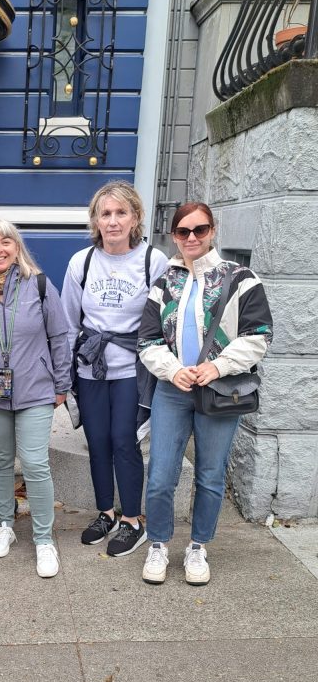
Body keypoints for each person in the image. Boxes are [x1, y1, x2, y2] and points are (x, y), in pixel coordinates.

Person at [138, 203, 273, 586]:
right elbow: (147, 340)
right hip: (173, 390)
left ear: (212, 230)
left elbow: (259, 334)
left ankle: (198, 547)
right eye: (183, 232)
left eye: (199, 230)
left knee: (211, 475)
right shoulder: (165, 283)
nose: (191, 238)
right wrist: (174, 370)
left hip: (221, 391)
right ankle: (159, 545)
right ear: (174, 236)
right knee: (161, 474)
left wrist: (217, 366)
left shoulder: (242, 278)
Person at [59, 181, 169, 557]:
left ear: (135, 217)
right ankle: (105, 512)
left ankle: (132, 521)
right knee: (98, 442)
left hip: (131, 369)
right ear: (96, 220)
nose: (113, 220)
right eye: (105, 213)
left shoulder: (153, 261)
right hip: (91, 367)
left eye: (121, 212)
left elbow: (161, 321)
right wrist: (65, 373)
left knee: (125, 440)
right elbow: (69, 323)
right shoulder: (82, 262)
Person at [0, 220, 71, 577]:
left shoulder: (40, 285)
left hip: (36, 389)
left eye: (6, 242)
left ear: (17, 247)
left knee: (33, 462)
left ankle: (44, 538)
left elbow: (59, 336)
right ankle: (5, 524)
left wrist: (62, 383)